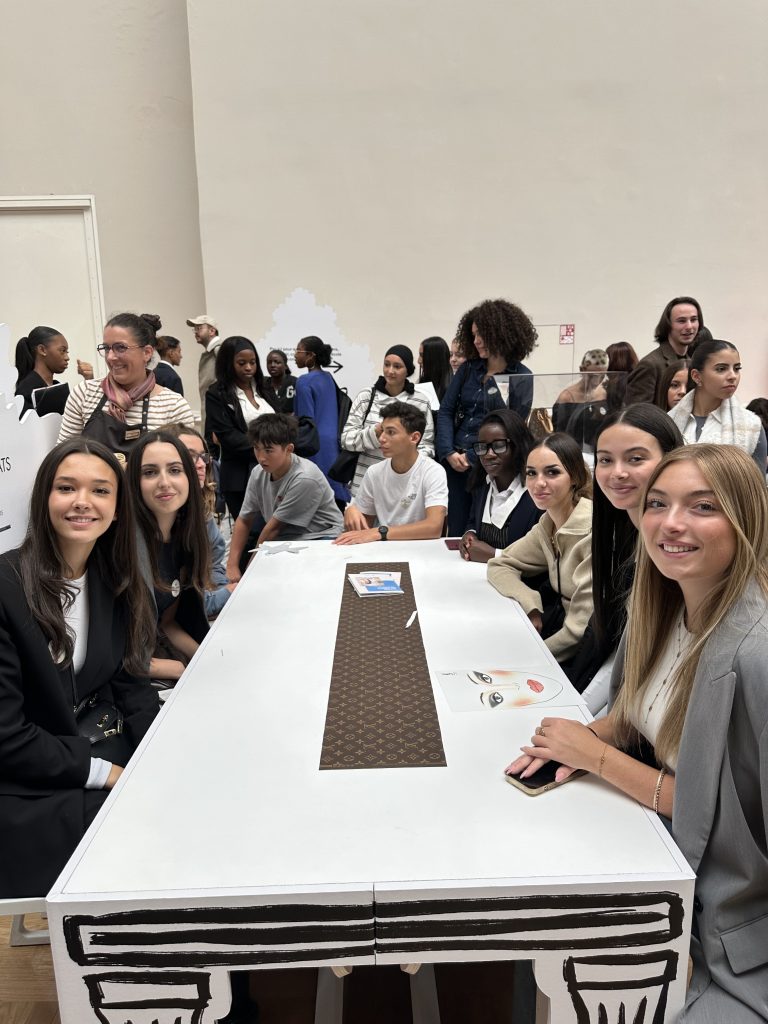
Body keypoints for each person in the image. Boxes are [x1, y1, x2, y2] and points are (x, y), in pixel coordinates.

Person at [508, 444, 768, 1022]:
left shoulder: (757, 654)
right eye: (659, 504)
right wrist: (578, 739)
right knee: (536, 929)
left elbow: (706, 810)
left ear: (746, 518)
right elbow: (642, 711)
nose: (671, 523)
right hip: (661, 857)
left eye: (703, 506)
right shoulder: (665, 606)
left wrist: (596, 757)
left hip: (725, 928)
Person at [0, 437, 158, 897]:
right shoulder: (7, 587)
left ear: (117, 508)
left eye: (100, 490)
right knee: (144, 836)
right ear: (44, 498)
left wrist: (161, 755)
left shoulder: (116, 581)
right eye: (66, 488)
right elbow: (6, 736)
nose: (82, 502)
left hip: (90, 752)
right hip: (24, 786)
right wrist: (108, 774)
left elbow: (130, 684)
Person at [566, 404, 684, 699]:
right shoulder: (623, 537)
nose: (617, 473)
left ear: (671, 459)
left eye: (635, 459)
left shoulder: (678, 551)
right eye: (606, 460)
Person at [487, 433, 593, 664]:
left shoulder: (591, 533)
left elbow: (577, 634)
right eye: (531, 473)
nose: (538, 483)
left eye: (552, 472)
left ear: (575, 477)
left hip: (586, 654)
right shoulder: (548, 525)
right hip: (558, 633)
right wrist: (530, 603)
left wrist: (523, 660)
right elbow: (499, 565)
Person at [437, 299, 537, 535]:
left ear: (500, 333)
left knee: (484, 528)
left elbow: (513, 426)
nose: (476, 341)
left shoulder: (522, 376)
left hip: (491, 464)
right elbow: (446, 410)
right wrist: (448, 452)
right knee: (456, 529)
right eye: (473, 335)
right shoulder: (468, 369)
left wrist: (471, 456)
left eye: (481, 334)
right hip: (454, 462)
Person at [127, 431, 210, 685]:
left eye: (174, 470)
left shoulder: (184, 540)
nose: (164, 482)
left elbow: (167, 622)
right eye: (150, 472)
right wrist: (175, 669)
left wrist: (205, 658)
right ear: (134, 482)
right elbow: (110, 651)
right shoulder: (124, 547)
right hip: (129, 676)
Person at [58, 313, 194, 458]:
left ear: (147, 353)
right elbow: (62, 457)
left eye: (120, 348)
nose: (110, 357)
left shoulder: (173, 406)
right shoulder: (84, 393)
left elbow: (185, 464)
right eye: (106, 348)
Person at [227, 414, 343, 580]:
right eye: (256, 448)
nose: (261, 457)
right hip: (286, 539)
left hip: (322, 537)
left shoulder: (305, 478)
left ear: (289, 449)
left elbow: (273, 529)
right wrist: (231, 565)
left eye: (268, 450)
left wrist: (249, 572)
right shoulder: (258, 472)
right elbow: (244, 519)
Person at [334, 401, 448, 545]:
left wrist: (380, 532)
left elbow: (434, 527)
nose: (381, 438)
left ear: (414, 438)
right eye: (382, 431)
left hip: (421, 547)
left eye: (391, 432)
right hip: (383, 547)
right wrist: (352, 512)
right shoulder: (374, 472)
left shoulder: (433, 471)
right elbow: (363, 529)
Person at [161, 423, 235, 618]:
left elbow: (214, 562)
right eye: (190, 456)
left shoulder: (200, 509)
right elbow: (177, 607)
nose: (201, 464)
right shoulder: (162, 521)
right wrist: (228, 593)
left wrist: (222, 589)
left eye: (203, 456)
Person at [340, 345, 434, 497]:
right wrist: (375, 432)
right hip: (364, 485)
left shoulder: (420, 401)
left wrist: (408, 465)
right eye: (386, 364)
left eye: (397, 366)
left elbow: (426, 445)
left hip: (403, 486)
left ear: (408, 370)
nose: (390, 371)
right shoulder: (366, 397)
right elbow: (346, 440)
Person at [204, 336, 276, 520]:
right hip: (240, 476)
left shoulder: (265, 386)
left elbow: (282, 422)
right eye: (242, 363)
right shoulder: (216, 394)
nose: (249, 367)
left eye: (253, 362)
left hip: (275, 472)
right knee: (251, 532)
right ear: (228, 363)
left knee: (279, 528)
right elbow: (228, 437)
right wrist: (268, 450)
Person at [668, 338, 766, 470]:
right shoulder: (669, 421)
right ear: (696, 376)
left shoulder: (751, 426)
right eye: (721, 369)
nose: (733, 376)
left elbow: (756, 482)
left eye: (737, 369)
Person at [459, 409, 542, 563]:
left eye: (498, 445)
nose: (488, 454)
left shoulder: (538, 494)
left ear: (517, 445)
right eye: (482, 447)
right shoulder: (482, 486)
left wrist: (496, 555)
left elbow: (543, 556)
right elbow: (472, 521)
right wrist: (469, 534)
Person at [293, 335, 350, 507]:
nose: (295, 354)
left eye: (298, 350)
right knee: (335, 494)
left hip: (314, 443)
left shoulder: (304, 381)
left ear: (310, 356)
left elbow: (306, 419)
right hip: (333, 443)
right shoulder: (328, 377)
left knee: (315, 495)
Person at [625, 296, 704, 404]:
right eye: (681, 321)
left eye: (693, 320)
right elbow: (636, 411)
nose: (689, 326)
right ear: (668, 325)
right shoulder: (650, 364)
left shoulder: (691, 363)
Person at [14, 326, 93, 416]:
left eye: (67, 352)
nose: (67, 357)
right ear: (42, 350)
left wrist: (89, 381)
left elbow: (82, 417)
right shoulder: (26, 390)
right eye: (62, 350)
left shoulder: (56, 387)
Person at [552, 349, 609, 433]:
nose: (596, 382)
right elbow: (560, 433)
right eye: (591, 376)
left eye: (602, 376)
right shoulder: (567, 397)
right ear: (582, 370)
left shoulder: (604, 393)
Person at [186, 314, 221, 437]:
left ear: (212, 331)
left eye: (199, 328)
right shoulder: (210, 352)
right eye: (194, 329)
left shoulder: (219, 350)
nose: (196, 332)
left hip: (218, 416)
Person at [418, 336, 452, 402]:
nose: (419, 361)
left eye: (422, 356)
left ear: (435, 358)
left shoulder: (452, 387)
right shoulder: (424, 380)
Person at [262, 349, 297, 413]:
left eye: (277, 362)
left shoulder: (295, 383)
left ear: (285, 366)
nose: (272, 365)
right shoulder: (262, 384)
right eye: (269, 362)